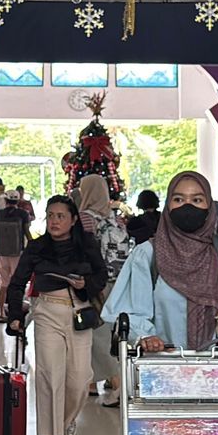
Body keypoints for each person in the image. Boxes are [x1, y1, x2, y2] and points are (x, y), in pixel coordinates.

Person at [103, 171, 218, 355]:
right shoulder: (148, 254)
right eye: (178, 200)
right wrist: (145, 336)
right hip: (161, 367)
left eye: (197, 200)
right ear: (168, 206)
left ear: (209, 206)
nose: (187, 207)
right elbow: (127, 313)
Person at [7, 195, 107, 435]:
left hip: (78, 313)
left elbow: (101, 275)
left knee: (80, 378)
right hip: (47, 313)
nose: (54, 221)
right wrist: (15, 315)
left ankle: (68, 420)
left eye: (60, 216)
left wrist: (85, 284)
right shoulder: (37, 247)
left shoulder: (86, 245)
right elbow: (17, 282)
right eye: (50, 215)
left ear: (73, 220)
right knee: (49, 377)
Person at [78, 174, 132, 407]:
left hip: (93, 284)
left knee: (94, 333)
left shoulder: (83, 219)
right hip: (116, 282)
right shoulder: (115, 218)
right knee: (107, 330)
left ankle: (118, 383)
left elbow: (81, 252)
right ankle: (93, 382)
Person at [0, 187, 33, 322]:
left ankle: (1, 312)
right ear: (18, 200)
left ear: (5, 199)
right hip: (17, 253)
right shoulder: (23, 214)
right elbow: (27, 232)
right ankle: (15, 313)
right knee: (17, 283)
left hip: (1, 253)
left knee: (2, 284)